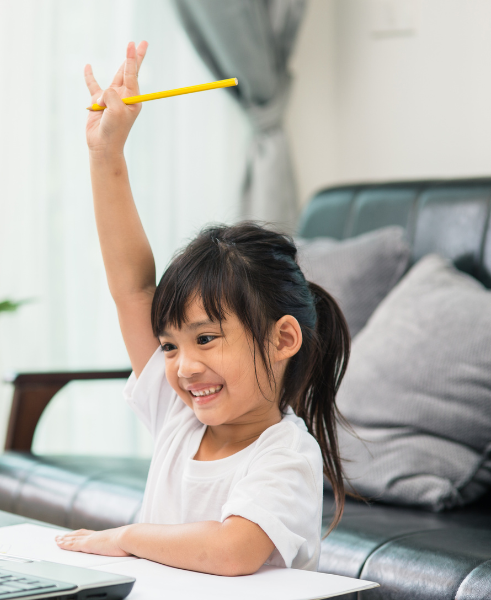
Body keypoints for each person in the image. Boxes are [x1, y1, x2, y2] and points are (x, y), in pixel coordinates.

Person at [54, 41, 352, 576]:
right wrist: (105, 155)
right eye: (169, 345)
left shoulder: (285, 455)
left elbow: (233, 551)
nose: (184, 365)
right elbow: (132, 289)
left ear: (283, 339)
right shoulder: (179, 418)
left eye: (206, 339)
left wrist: (126, 536)